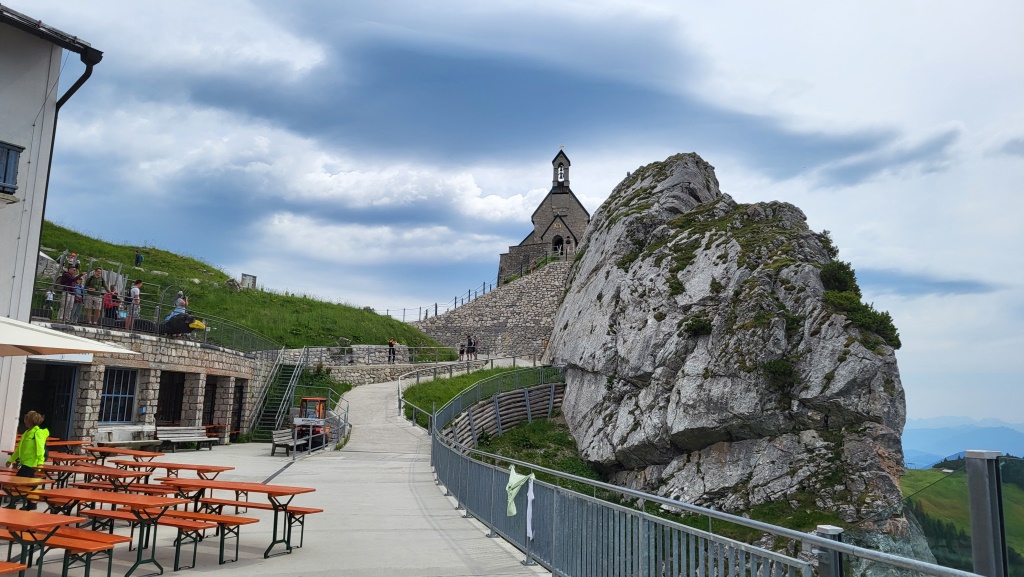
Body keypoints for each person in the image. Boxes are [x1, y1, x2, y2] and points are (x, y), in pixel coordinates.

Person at [5, 411, 48, 509]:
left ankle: (13, 503)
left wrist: (40, 464)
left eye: (27, 419)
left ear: (31, 421)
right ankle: (31, 504)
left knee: (17, 482)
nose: (25, 421)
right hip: (25, 462)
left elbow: (40, 449)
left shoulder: (37, 433)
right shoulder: (27, 432)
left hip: (31, 463)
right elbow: (19, 448)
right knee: (30, 484)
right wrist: (11, 459)